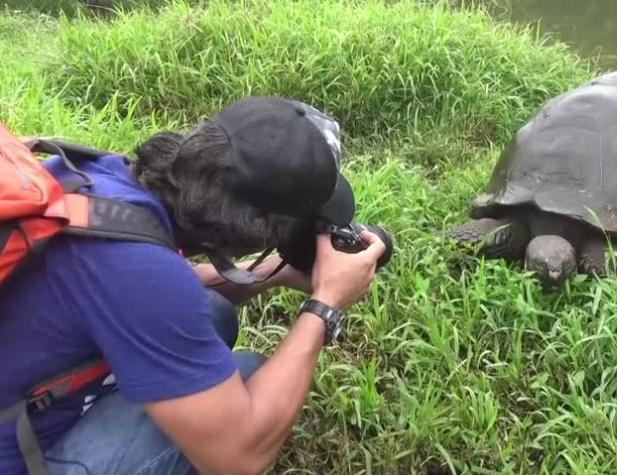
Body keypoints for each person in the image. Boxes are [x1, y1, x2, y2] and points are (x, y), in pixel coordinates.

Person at [0, 96, 386, 475]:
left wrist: (276, 272)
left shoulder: (104, 179)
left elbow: (148, 289)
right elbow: (239, 455)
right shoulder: (143, 276)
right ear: (258, 226)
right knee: (249, 379)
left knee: (213, 311)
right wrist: (326, 304)